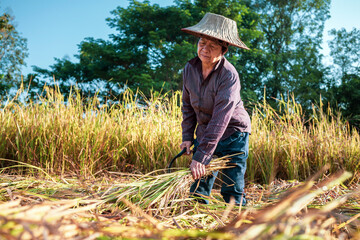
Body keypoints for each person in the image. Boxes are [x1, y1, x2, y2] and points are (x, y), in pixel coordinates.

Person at [180, 13, 251, 206]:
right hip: (206, 132)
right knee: (198, 187)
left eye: (212, 46)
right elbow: (187, 106)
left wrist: (201, 156)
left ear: (224, 50)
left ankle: (236, 222)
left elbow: (221, 119)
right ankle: (197, 218)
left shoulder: (229, 76)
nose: (205, 49)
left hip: (233, 133)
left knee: (232, 187)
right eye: (202, 43)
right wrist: (187, 136)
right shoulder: (190, 68)